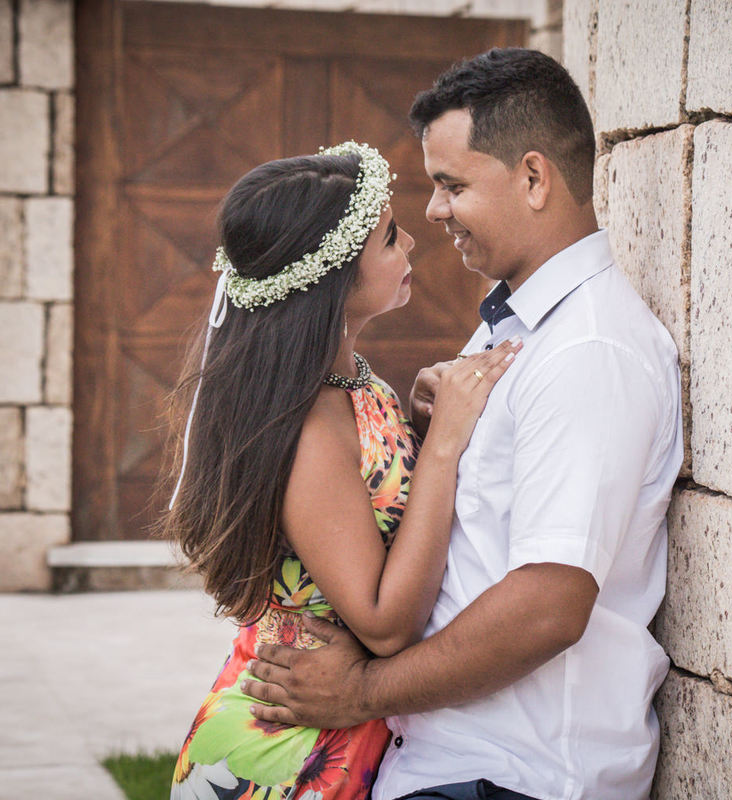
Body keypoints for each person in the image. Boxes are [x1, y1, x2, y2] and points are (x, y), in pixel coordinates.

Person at [242, 49, 684, 800]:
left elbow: (547, 607)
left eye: (451, 186)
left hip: (514, 775)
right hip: (450, 765)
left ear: (535, 178)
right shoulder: (513, 325)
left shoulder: (588, 352)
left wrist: (363, 692)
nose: (434, 212)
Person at [160, 141, 521, 799]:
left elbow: (371, 516)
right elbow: (384, 623)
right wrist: (444, 447)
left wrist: (411, 431)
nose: (412, 240)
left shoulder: (349, 379)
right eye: (388, 237)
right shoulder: (308, 423)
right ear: (332, 280)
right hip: (284, 751)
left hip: (325, 731)